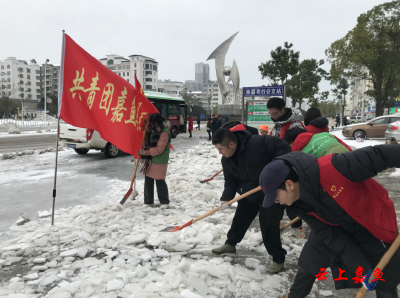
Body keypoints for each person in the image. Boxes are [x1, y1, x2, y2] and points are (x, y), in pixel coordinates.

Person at [260, 145, 400, 298]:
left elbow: (383, 154)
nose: (277, 202)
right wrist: (362, 269)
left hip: (369, 224)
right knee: (309, 261)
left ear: (289, 184)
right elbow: (332, 236)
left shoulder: (336, 167)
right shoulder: (298, 204)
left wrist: (369, 270)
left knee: (386, 276)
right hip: (334, 227)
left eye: (276, 197)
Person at [211, 128, 290, 273]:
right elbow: (230, 180)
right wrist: (226, 198)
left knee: (269, 225)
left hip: (270, 192)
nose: (219, 153)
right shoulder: (226, 160)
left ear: (231, 144)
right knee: (240, 219)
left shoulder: (257, 143)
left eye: (220, 149)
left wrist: (276, 171)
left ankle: (278, 258)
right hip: (248, 192)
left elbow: (283, 146)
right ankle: (230, 244)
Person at [267, 97, 305, 238]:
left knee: (290, 200)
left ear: (283, 109)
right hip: (277, 165)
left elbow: (297, 147)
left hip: (290, 166)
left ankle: (297, 227)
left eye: (275, 113)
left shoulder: (295, 125)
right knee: (277, 199)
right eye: (270, 114)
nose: (273, 116)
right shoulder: (278, 123)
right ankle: (275, 224)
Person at [139, 113, 171, 209]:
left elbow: (159, 149)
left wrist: (145, 152)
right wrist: (146, 121)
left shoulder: (164, 133)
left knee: (159, 180)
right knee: (148, 180)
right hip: (151, 160)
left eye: (153, 123)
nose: (151, 125)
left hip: (160, 160)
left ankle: (164, 201)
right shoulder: (153, 131)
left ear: (157, 123)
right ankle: (148, 201)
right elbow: (145, 131)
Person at [283, 127, 351, 156]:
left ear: (292, 141)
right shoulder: (324, 134)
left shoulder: (300, 154)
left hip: (334, 169)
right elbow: (345, 145)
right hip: (349, 157)